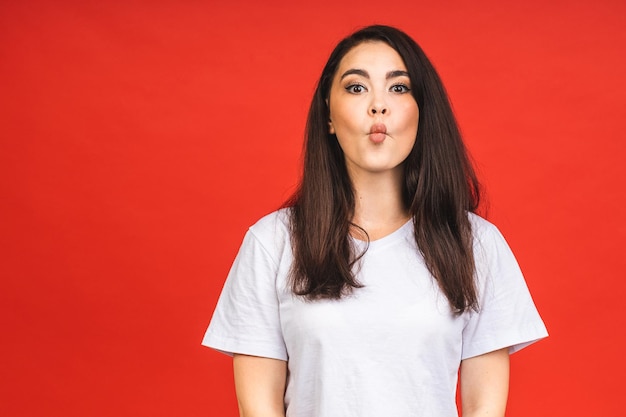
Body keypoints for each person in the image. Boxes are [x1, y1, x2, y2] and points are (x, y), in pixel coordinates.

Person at [202, 25, 547, 417]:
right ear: (328, 116)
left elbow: (485, 407)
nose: (378, 106)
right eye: (356, 87)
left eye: (398, 88)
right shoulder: (272, 242)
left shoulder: (477, 245)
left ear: (422, 112)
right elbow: (258, 410)